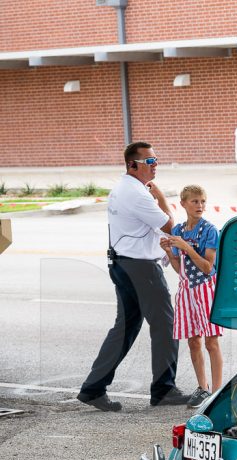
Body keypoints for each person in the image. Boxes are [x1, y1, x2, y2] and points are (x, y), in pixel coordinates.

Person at [78, 141, 189, 411]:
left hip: (123, 263)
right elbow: (169, 224)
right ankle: (164, 390)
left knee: (125, 328)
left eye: (156, 160)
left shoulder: (123, 188)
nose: (155, 166)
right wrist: (160, 195)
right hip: (140, 268)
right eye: (149, 162)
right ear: (132, 164)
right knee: (165, 325)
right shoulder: (137, 194)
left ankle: (93, 388)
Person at [160, 185, 223, 408]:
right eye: (195, 201)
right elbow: (179, 269)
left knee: (211, 341)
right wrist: (170, 251)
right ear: (183, 203)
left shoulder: (209, 230)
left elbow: (207, 267)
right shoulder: (177, 230)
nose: (200, 206)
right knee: (193, 340)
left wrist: (186, 246)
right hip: (186, 289)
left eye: (203, 201)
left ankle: (217, 391)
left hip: (205, 288)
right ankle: (202, 387)